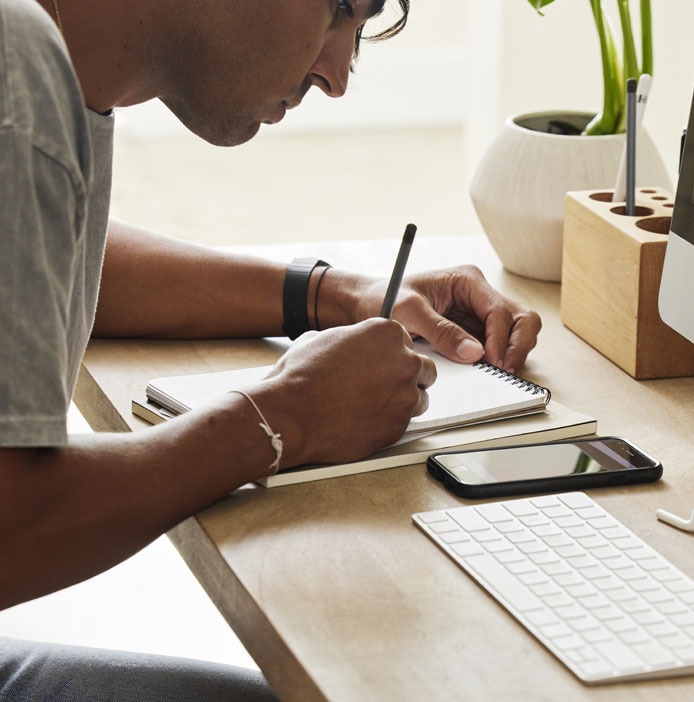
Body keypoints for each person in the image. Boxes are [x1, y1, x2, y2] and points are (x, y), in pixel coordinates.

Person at [0, 0, 542, 698]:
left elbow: (37, 251)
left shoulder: (46, 70)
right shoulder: (16, 70)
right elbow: (14, 525)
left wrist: (332, 294)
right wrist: (286, 417)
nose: (339, 74)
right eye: (343, 9)